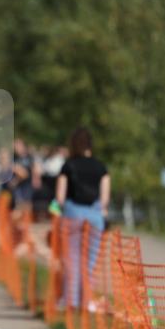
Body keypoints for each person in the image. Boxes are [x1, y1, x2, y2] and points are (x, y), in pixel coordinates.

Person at [54, 127, 110, 312]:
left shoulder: (68, 166)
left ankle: (71, 302)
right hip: (94, 216)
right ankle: (87, 301)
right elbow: (104, 200)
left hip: (72, 214)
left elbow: (60, 198)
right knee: (90, 263)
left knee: (72, 261)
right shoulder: (101, 167)